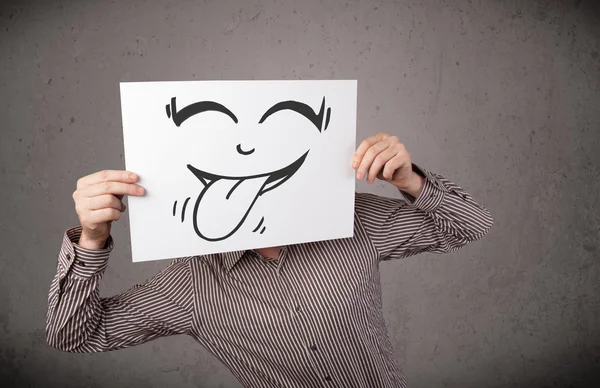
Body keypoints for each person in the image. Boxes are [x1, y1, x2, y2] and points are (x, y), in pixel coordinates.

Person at [46, 132, 494, 387]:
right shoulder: (190, 283)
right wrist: (92, 238)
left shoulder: (351, 218)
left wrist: (410, 179)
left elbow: (469, 223)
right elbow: (73, 334)